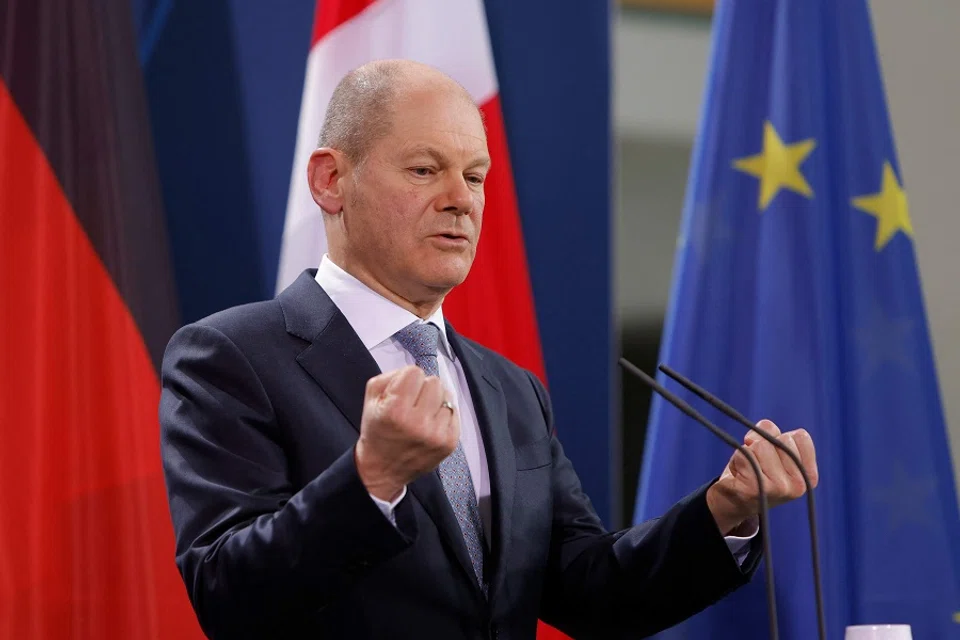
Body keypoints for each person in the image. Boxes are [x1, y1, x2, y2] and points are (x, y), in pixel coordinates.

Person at [158, 59, 818, 640]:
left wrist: (724, 511)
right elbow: (227, 597)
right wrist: (372, 480)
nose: (460, 201)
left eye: (474, 177)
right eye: (424, 170)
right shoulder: (233, 357)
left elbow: (595, 593)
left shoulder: (511, 389)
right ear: (331, 180)